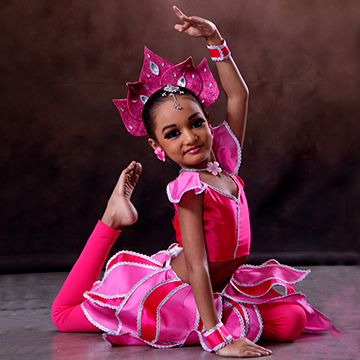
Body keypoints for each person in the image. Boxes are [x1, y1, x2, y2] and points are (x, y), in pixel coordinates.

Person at [52, 6, 333, 357]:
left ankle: (221, 314)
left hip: (219, 287)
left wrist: (215, 40)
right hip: (182, 291)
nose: (190, 138)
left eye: (196, 123)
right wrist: (217, 338)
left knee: (292, 319)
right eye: (173, 134)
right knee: (65, 317)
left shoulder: (226, 162)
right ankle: (111, 218)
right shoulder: (190, 190)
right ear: (157, 147)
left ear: (207, 121)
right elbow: (198, 264)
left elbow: (239, 96)